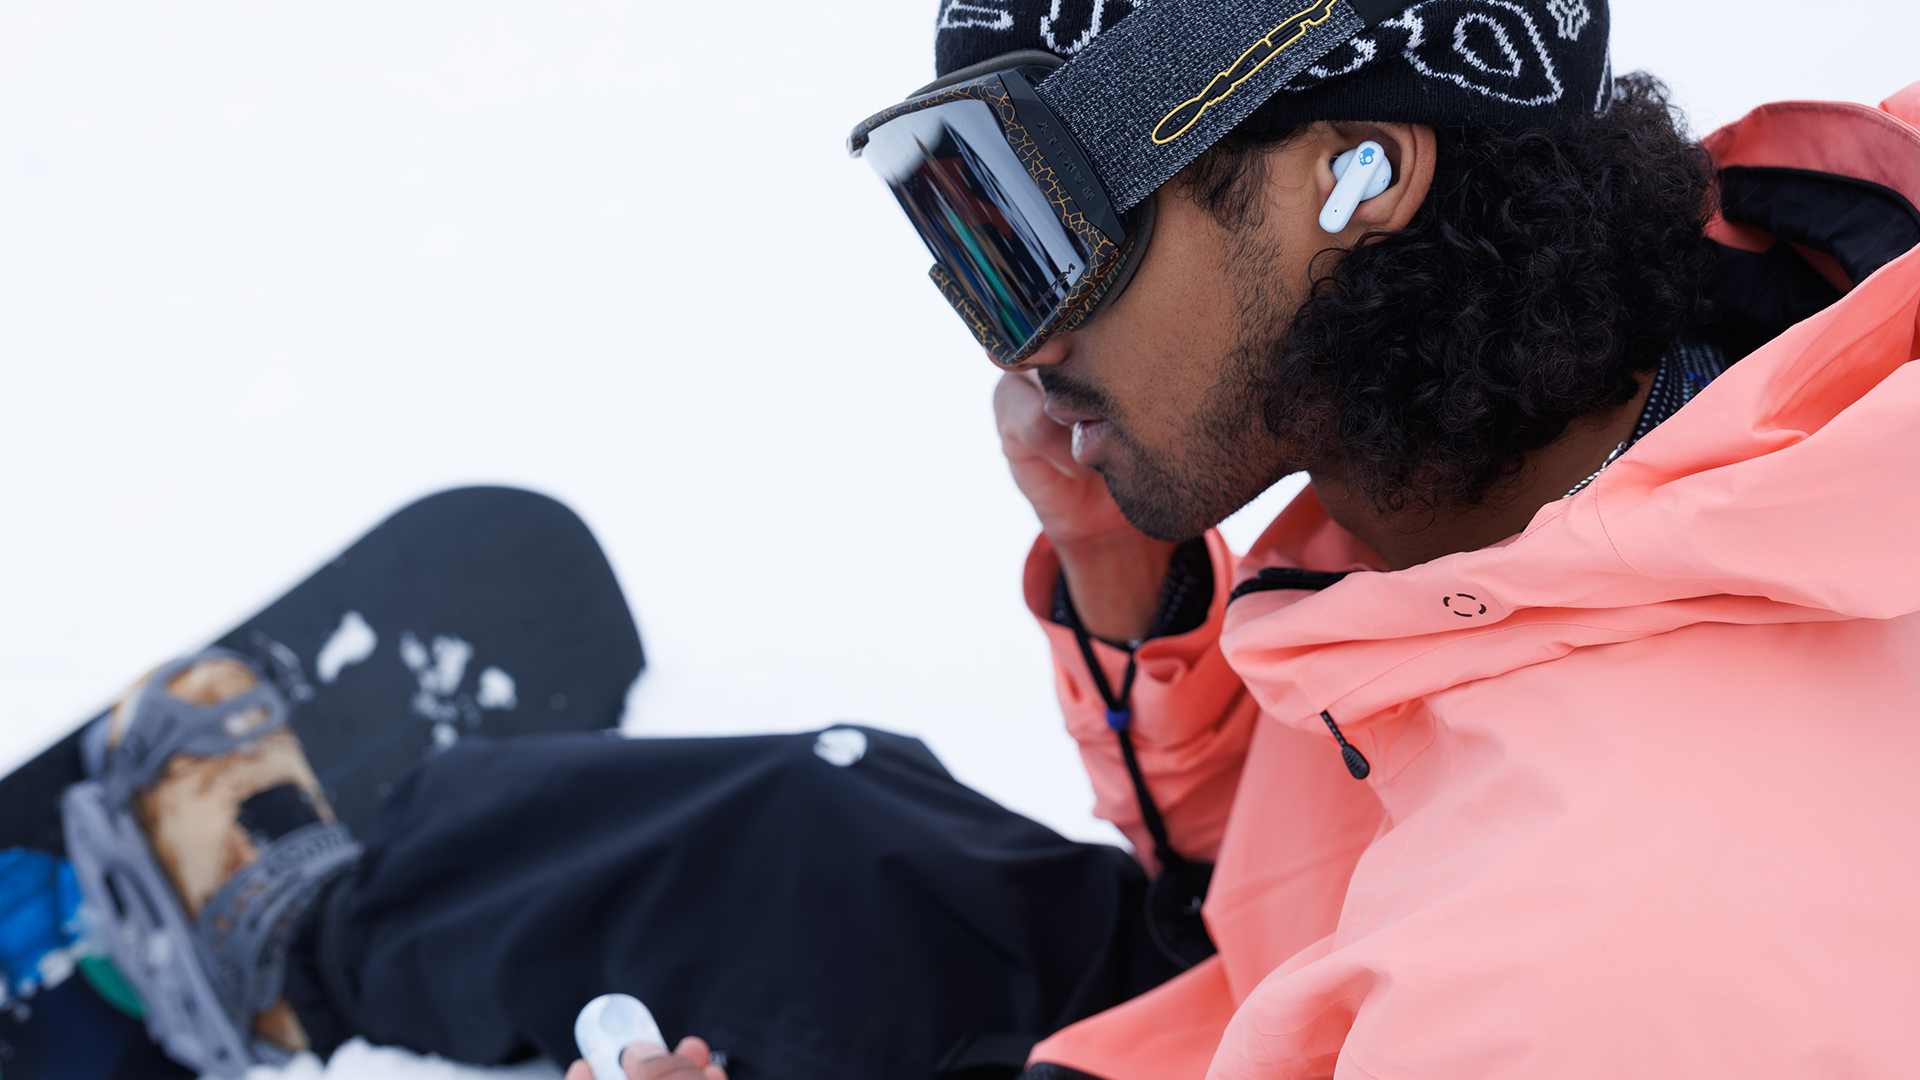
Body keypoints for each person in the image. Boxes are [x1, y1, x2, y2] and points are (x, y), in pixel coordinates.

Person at [66, 0, 1920, 1077]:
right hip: (1271, 999)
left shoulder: (1583, 965)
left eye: (1047, 233)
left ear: (1357, 175)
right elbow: (1330, 840)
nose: (1018, 348)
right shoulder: (1569, 405)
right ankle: (323, 937)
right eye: (960, 236)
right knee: (814, 842)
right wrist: (1140, 600)